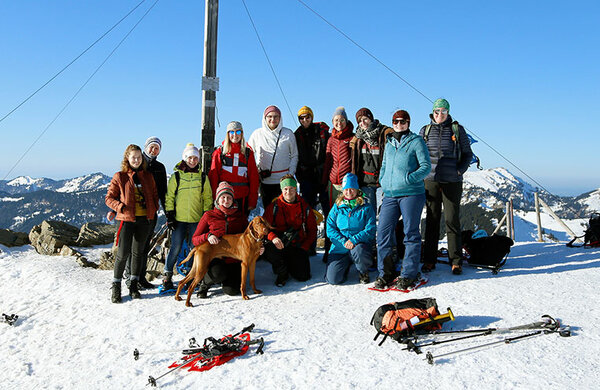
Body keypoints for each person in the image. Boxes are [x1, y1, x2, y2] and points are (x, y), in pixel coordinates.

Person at [373, 110, 431, 290]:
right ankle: (386, 273)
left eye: (402, 121)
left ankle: (408, 274)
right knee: (383, 233)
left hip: (411, 194)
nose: (399, 124)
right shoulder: (389, 142)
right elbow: (384, 165)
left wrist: (408, 179)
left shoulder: (416, 141)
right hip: (390, 194)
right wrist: (383, 180)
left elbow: (426, 166)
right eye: (395, 121)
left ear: (408, 122)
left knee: (410, 233)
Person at [419, 99, 473, 275]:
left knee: (452, 220)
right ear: (432, 112)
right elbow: (419, 154)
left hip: (452, 181)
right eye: (436, 111)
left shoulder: (457, 130)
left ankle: (456, 261)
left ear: (448, 112)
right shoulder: (425, 130)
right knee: (432, 220)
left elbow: (467, 154)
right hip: (431, 180)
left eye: (443, 111)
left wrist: (460, 171)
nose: (439, 114)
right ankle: (429, 259)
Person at [105, 144, 159, 303]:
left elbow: (155, 195)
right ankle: (116, 286)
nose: (136, 160)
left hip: (144, 220)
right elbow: (109, 198)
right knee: (122, 254)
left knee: (138, 253)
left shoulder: (148, 176)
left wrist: (154, 208)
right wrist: (119, 207)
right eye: (133, 157)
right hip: (126, 220)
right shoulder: (120, 176)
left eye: (139, 157)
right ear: (127, 159)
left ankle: (133, 285)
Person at [191, 181, 258, 298]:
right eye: (223, 197)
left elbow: (251, 236)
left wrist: (259, 247)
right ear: (217, 199)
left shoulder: (240, 216)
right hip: (215, 257)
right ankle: (204, 284)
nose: (226, 200)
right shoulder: (209, 215)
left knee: (232, 291)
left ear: (233, 200)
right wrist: (208, 236)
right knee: (218, 274)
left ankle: (227, 280)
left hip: (234, 259)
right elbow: (195, 239)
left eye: (229, 197)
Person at [162, 143, 213, 290]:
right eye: (190, 158)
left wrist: (206, 215)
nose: (192, 161)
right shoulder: (176, 176)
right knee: (175, 247)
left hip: (197, 219)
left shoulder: (202, 177)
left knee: (194, 248)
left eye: (195, 158)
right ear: (185, 158)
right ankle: (167, 276)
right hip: (179, 219)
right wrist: (170, 215)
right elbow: (170, 196)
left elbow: (207, 197)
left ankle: (190, 276)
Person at [122, 136, 168, 289]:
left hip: (150, 212)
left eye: (157, 148)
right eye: (151, 147)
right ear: (146, 147)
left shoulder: (160, 167)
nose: (153, 150)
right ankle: (130, 277)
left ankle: (140, 277)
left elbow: (163, 192)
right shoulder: (137, 163)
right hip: (135, 212)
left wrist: (168, 213)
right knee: (134, 246)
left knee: (144, 246)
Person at [262, 174, 317, 287]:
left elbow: (312, 230)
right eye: (285, 189)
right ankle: (282, 272)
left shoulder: (304, 206)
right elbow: (264, 228)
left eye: (291, 189)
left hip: (297, 243)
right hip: (279, 242)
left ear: (295, 189)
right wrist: (273, 237)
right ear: (281, 190)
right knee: (270, 249)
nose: (288, 192)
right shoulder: (274, 207)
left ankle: (290, 263)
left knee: (303, 276)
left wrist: (304, 247)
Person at [325, 173, 376, 285]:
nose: (349, 192)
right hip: (340, 247)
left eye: (352, 189)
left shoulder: (366, 207)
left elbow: (370, 229)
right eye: (346, 189)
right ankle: (345, 264)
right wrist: (343, 241)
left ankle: (363, 271)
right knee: (333, 280)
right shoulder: (337, 207)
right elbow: (330, 228)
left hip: (359, 245)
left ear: (357, 189)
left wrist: (353, 240)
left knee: (359, 251)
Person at [248, 105, 298, 206]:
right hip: (265, 181)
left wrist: (290, 174)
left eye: (276, 116)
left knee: (285, 211)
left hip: (284, 181)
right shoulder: (257, 134)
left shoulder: (288, 134)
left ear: (280, 118)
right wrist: (255, 171)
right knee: (269, 212)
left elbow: (294, 155)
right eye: (269, 116)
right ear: (264, 118)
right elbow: (248, 154)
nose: (273, 119)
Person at [208, 121, 259, 217]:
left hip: (242, 198)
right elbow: (213, 176)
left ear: (242, 134)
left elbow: (253, 177)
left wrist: (252, 200)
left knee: (240, 227)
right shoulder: (220, 152)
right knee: (224, 226)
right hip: (224, 198)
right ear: (228, 134)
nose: (235, 135)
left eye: (238, 132)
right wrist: (215, 198)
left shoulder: (247, 153)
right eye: (232, 132)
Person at [350, 107, 392, 214]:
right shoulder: (358, 139)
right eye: (360, 121)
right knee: (369, 214)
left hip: (382, 183)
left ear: (371, 119)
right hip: (366, 184)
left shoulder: (382, 135)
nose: (363, 123)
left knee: (385, 214)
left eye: (365, 119)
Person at [294, 106, 330, 216]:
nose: (304, 120)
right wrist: (300, 176)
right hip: (306, 177)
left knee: (327, 208)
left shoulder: (322, 132)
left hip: (322, 176)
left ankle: (328, 233)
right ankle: (309, 232)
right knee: (307, 209)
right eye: (301, 118)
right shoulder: (297, 135)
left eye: (307, 117)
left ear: (312, 117)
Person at [323, 106, 354, 207]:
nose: (339, 123)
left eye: (342, 120)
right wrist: (324, 182)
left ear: (346, 121)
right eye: (336, 120)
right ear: (332, 122)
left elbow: (355, 161)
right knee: (334, 210)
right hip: (333, 183)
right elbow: (328, 162)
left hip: (347, 183)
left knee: (346, 210)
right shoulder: (331, 140)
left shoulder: (352, 138)